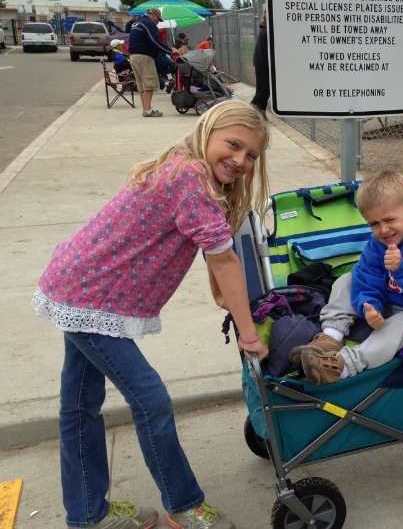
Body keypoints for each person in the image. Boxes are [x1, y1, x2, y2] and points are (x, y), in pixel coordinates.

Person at [31, 100, 270, 529]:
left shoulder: (187, 170)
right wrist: (248, 334)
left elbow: (211, 248)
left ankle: (87, 514)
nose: (240, 160)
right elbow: (225, 260)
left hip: (82, 287)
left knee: (80, 405)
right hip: (91, 297)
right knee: (151, 400)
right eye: (233, 145)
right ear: (207, 132)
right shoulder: (190, 177)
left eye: (251, 155)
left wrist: (221, 293)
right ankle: (184, 504)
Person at [290, 171, 403, 384]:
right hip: (390, 304)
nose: (383, 230)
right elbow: (367, 280)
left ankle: (342, 366)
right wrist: (370, 307)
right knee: (347, 280)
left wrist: (402, 270)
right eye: (374, 224)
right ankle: (331, 336)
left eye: (389, 220)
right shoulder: (377, 245)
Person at [127, 8, 174, 117]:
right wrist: (169, 50)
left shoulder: (137, 23)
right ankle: (148, 110)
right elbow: (154, 41)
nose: (158, 23)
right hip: (144, 56)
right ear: (154, 16)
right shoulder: (148, 23)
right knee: (149, 82)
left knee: (141, 85)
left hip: (133, 56)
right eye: (158, 20)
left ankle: (145, 109)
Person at [250, 5, 270, 113]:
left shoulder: (266, 28)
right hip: (263, 65)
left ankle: (261, 112)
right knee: (262, 92)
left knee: (266, 91)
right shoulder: (266, 30)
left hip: (263, 64)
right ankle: (250, 112)